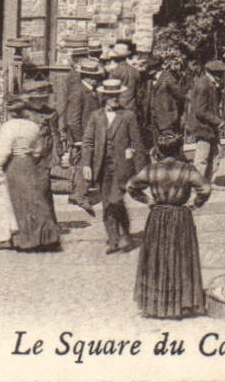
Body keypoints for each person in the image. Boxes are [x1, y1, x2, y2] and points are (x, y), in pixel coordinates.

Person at [126, 130, 210, 319]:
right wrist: (193, 204)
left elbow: (131, 186)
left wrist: (147, 200)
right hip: (181, 216)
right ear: (179, 148)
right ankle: (182, 303)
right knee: (180, 257)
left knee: (157, 259)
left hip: (158, 216)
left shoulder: (151, 169)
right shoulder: (187, 169)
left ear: (160, 150)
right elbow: (204, 188)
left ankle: (157, 305)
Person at [0, 96, 62, 252]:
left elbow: (3, 153)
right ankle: (42, 236)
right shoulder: (33, 126)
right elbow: (38, 151)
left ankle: (15, 237)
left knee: (12, 201)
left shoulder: (9, 127)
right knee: (31, 201)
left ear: (10, 112)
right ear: (25, 111)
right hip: (29, 164)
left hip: (15, 165)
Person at [83, 77, 146, 254]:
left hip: (122, 167)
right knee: (106, 203)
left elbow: (137, 143)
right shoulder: (96, 116)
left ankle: (125, 235)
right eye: (110, 96)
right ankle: (113, 239)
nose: (114, 99)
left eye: (116, 95)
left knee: (115, 200)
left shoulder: (128, 116)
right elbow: (87, 142)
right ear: (104, 97)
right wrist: (86, 164)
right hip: (102, 167)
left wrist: (140, 170)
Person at [60, 54, 103, 216]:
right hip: (82, 137)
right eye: (94, 77)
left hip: (88, 135)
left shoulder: (90, 91)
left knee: (84, 165)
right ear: (87, 77)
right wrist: (78, 140)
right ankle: (81, 195)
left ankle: (77, 193)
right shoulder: (79, 92)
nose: (96, 80)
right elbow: (72, 120)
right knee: (84, 165)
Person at [184, 59, 225, 185]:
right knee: (202, 156)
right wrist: (217, 121)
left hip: (209, 127)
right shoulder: (203, 85)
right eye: (219, 73)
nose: (221, 76)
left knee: (217, 152)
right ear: (211, 73)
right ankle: (198, 184)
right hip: (202, 127)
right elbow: (199, 111)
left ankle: (209, 182)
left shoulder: (211, 84)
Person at [146, 56, 186, 141]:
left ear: (157, 67)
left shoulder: (168, 78)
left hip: (168, 120)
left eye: (151, 67)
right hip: (154, 121)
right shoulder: (149, 79)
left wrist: (173, 111)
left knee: (170, 144)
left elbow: (180, 97)